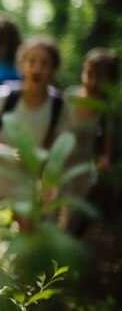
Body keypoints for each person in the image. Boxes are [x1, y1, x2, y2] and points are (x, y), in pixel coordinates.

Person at [0, 35, 67, 265]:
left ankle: (20, 290)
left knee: (28, 238)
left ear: (53, 69)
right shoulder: (5, 96)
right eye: (32, 61)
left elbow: (52, 149)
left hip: (25, 178)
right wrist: (7, 153)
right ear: (22, 64)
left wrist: (51, 181)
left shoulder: (58, 105)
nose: (37, 67)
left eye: (44, 63)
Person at [60, 48, 120, 236]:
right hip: (59, 164)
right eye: (89, 74)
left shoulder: (104, 110)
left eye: (100, 78)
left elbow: (107, 139)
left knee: (72, 218)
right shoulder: (69, 97)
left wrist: (106, 158)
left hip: (82, 170)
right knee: (50, 211)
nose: (93, 82)